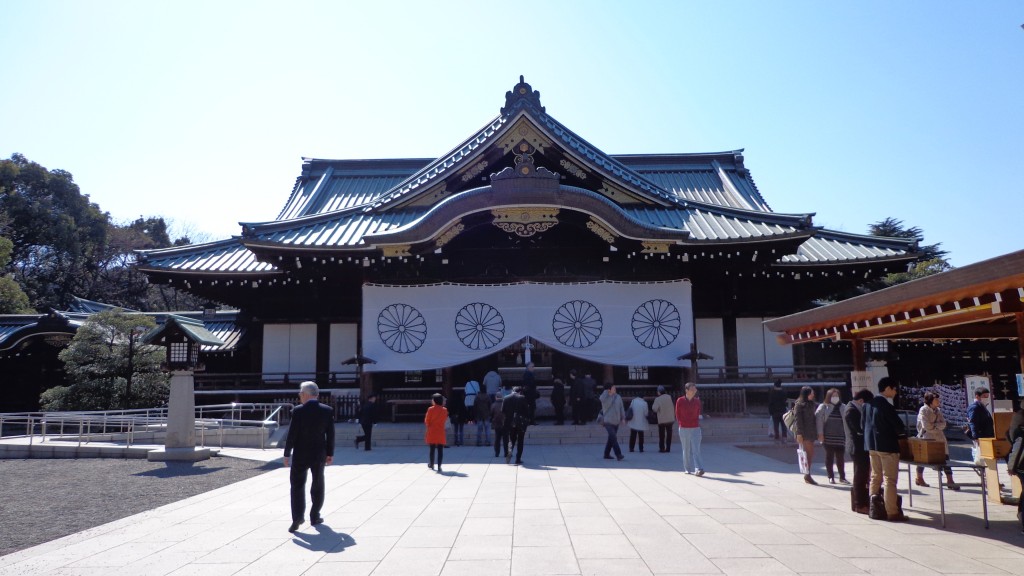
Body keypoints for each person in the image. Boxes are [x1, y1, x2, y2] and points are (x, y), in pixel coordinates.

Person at [283, 381, 335, 533]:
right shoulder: (327, 410)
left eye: (300, 393)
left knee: (297, 485)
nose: (299, 395)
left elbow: (292, 434)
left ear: (305, 394)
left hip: (300, 453)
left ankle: (297, 517)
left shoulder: (298, 411)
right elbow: (330, 434)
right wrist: (330, 453)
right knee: (318, 483)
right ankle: (315, 515)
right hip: (319, 453)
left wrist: (287, 453)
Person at [865, 377, 909, 522]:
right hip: (887, 447)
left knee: (875, 476)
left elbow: (862, 425)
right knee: (890, 479)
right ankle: (892, 512)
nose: (896, 391)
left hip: (872, 446)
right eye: (894, 388)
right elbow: (898, 426)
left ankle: (874, 508)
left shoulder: (868, 405)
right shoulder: (886, 406)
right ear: (888, 388)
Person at [915, 391, 958, 490]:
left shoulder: (938, 410)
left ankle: (950, 480)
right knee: (924, 459)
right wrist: (936, 426)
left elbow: (944, 424)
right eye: (936, 399)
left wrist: (935, 426)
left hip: (939, 437)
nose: (938, 401)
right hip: (927, 437)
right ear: (930, 401)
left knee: (945, 458)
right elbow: (927, 426)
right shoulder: (923, 410)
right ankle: (919, 477)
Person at [843, 389, 874, 514]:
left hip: (860, 447)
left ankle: (861, 502)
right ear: (861, 401)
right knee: (860, 476)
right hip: (857, 447)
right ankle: (859, 504)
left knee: (863, 474)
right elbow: (859, 429)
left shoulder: (854, 408)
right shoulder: (851, 410)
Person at [815, 387, 847, 484]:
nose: (835, 398)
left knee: (840, 457)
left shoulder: (843, 407)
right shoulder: (823, 407)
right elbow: (819, 421)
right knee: (829, 457)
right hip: (828, 436)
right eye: (833, 396)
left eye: (837, 396)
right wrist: (820, 433)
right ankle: (831, 476)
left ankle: (842, 477)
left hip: (840, 436)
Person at [675, 382, 704, 476]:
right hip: (684, 428)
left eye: (695, 389)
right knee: (686, 449)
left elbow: (698, 413)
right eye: (692, 389)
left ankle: (698, 468)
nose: (694, 391)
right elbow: (677, 414)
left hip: (695, 427)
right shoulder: (680, 401)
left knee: (696, 449)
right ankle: (687, 468)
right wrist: (681, 424)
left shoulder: (697, 401)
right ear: (686, 390)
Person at [794, 386, 821, 485]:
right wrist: (799, 433)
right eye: (811, 393)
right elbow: (798, 420)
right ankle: (807, 474)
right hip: (804, 433)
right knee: (808, 453)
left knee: (810, 454)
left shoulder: (812, 404)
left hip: (811, 432)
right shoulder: (799, 405)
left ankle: (807, 473)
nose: (813, 395)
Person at [503, 386, 529, 465]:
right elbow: (527, 411)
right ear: (520, 392)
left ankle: (509, 454)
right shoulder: (522, 398)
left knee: (511, 440)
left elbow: (503, 411)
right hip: (520, 422)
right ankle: (518, 459)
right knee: (520, 440)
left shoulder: (506, 398)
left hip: (510, 423)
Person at [967, 387, 994, 463]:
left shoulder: (982, 406)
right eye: (984, 396)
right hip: (981, 435)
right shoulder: (975, 407)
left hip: (986, 435)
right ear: (977, 396)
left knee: (987, 458)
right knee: (982, 459)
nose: (986, 398)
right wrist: (976, 436)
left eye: (987, 396)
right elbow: (973, 422)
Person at [600, 383, 626, 461]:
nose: (615, 389)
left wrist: (623, 418)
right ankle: (618, 454)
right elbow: (601, 399)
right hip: (607, 421)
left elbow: (621, 407)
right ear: (609, 389)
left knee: (611, 438)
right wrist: (606, 392)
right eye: (613, 388)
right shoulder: (605, 397)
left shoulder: (618, 397)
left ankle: (606, 454)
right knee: (613, 438)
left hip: (616, 420)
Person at [424, 393, 448, 473]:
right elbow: (444, 420)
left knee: (432, 449)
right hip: (440, 431)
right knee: (440, 450)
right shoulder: (444, 410)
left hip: (432, 431)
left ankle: (431, 464)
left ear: (434, 401)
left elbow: (427, 421)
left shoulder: (430, 409)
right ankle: (439, 466)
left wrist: (429, 425)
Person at [652, 385, 675, 453]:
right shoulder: (669, 397)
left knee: (662, 435)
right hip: (670, 418)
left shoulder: (658, 399)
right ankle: (668, 448)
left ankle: (662, 448)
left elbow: (654, 409)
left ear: (659, 392)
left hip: (662, 419)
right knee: (669, 434)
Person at [768, 379, 789, 443]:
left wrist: (770, 411)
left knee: (776, 424)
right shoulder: (784, 392)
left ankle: (777, 436)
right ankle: (784, 437)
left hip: (775, 411)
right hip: (783, 410)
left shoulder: (772, 393)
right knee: (783, 425)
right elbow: (785, 402)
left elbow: (770, 403)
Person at [491, 394, 507, 459]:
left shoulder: (493, 405)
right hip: (505, 423)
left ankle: (497, 453)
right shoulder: (505, 404)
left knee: (497, 439)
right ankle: (506, 453)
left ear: (496, 397)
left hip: (497, 424)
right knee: (506, 439)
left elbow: (491, 414)